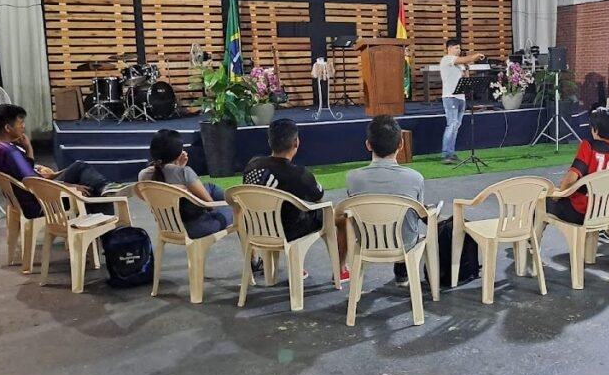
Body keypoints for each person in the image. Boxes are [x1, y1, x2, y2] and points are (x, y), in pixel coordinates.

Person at [0, 103, 116, 218]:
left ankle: (105, 190)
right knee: (88, 187)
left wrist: (28, 151)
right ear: (7, 128)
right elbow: (34, 182)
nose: (23, 126)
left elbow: (25, 174)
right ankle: (110, 234)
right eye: (20, 123)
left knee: (80, 170)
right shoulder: (8, 151)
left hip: (24, 200)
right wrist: (69, 187)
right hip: (40, 203)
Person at [243, 119, 341, 279]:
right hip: (288, 231)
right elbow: (319, 198)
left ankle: (259, 262)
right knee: (334, 214)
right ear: (296, 142)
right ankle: (340, 269)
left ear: (270, 142)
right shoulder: (299, 174)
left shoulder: (252, 165)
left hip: (256, 227)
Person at [337, 115, 425, 286]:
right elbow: (420, 214)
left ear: (368, 145)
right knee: (410, 223)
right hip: (404, 244)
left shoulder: (353, 178)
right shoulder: (415, 178)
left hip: (366, 242)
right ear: (401, 144)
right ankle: (403, 273)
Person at [137, 129, 232, 239]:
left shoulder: (143, 175)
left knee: (210, 187)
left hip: (169, 227)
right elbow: (210, 205)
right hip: (197, 227)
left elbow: (166, 184)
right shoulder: (184, 172)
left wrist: (178, 167)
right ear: (178, 152)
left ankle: (232, 200)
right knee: (237, 207)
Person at [546, 107, 609, 224]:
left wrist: (557, 195)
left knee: (541, 202)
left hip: (580, 211)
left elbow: (570, 180)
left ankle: (533, 235)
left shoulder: (588, 146)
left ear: (595, 130)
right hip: (606, 212)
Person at [439, 38, 486, 164]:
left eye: (459, 48)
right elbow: (465, 59)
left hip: (460, 97)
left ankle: (451, 152)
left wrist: (466, 69)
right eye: (456, 48)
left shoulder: (459, 64)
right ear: (449, 48)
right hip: (450, 97)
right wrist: (476, 56)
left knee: (456, 126)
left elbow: (466, 79)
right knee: (451, 124)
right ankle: (446, 154)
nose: (458, 50)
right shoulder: (447, 59)